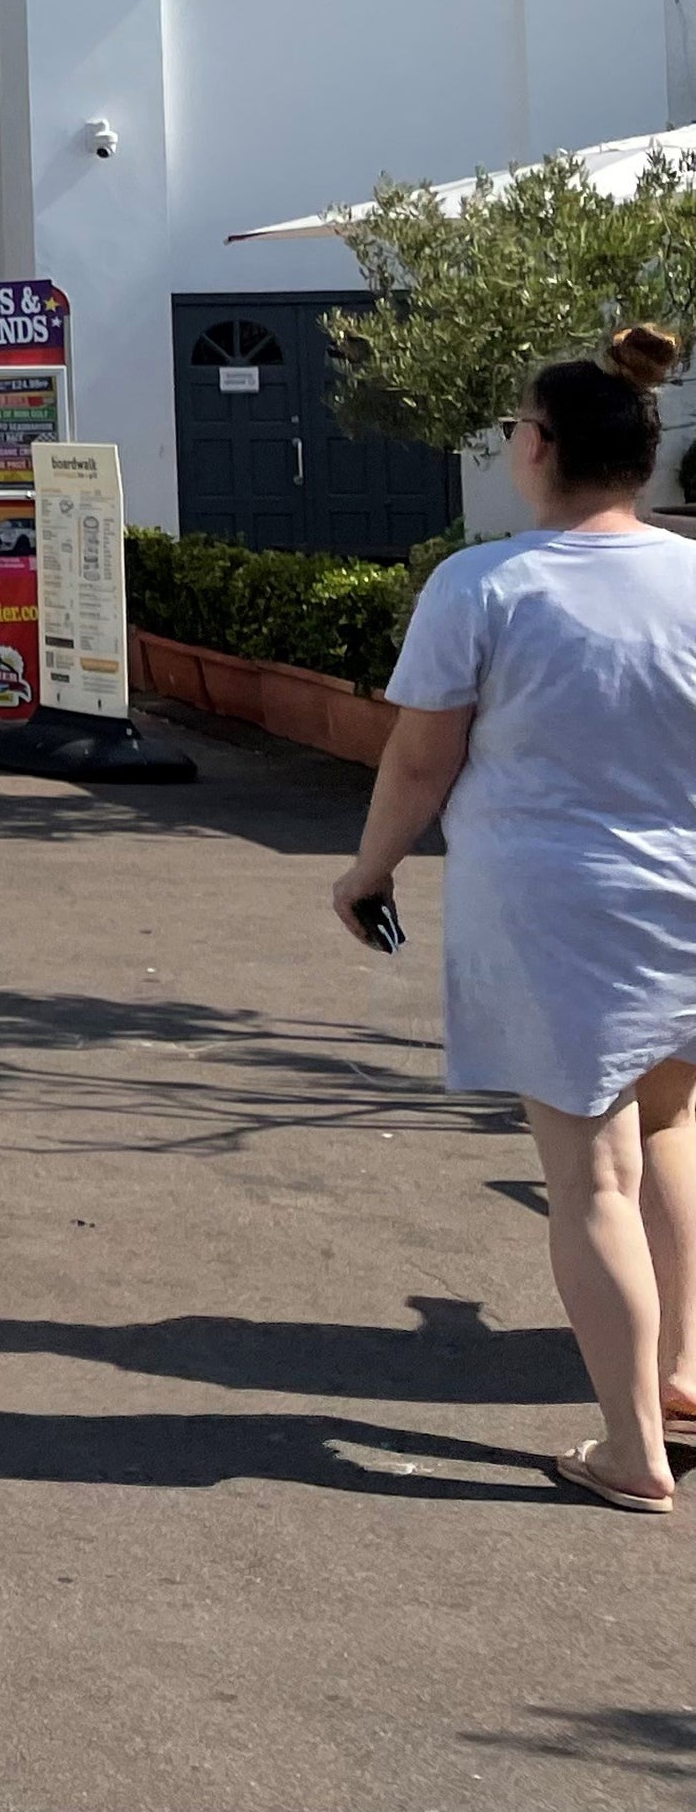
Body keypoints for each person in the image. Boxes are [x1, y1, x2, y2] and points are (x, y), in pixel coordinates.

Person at [340, 324, 696, 1514]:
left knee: (588, 1175)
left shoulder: (484, 585)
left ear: (536, 448)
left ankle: (630, 1448)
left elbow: (417, 764)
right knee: (666, 1134)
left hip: (558, 909)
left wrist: (367, 874)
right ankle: (683, 1375)